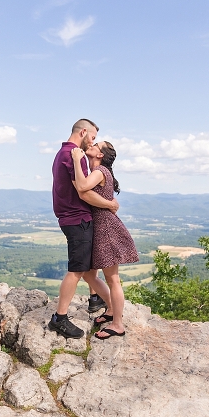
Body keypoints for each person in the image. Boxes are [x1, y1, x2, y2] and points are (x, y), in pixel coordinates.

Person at [49, 119, 117, 339]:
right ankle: (60, 318)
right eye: (94, 137)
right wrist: (110, 204)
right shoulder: (74, 154)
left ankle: (108, 306)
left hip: (72, 218)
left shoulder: (63, 153)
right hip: (77, 219)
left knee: (88, 272)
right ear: (84, 132)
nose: (93, 142)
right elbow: (83, 191)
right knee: (78, 270)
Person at [71, 141, 139, 340]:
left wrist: (77, 159)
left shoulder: (100, 171)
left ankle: (118, 324)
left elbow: (82, 187)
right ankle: (110, 308)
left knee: (112, 278)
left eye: (96, 145)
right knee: (89, 275)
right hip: (99, 229)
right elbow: (83, 189)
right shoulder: (99, 171)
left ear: (100, 154)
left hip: (106, 229)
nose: (91, 144)